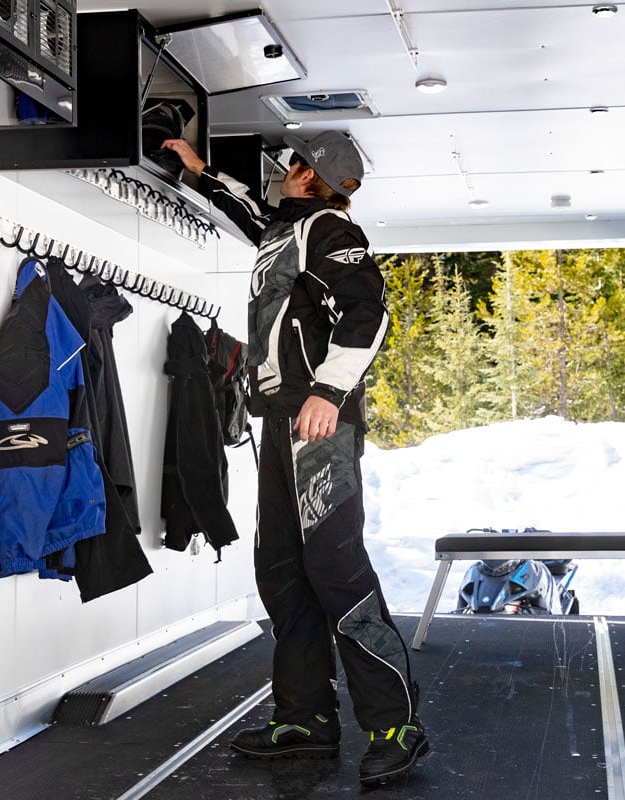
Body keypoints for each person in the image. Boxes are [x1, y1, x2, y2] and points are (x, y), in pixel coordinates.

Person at [161, 131, 429, 785]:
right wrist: (199, 172)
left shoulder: (331, 231)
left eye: (295, 164)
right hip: (282, 423)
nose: (285, 170)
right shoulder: (290, 228)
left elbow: (369, 312)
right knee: (281, 569)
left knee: (336, 570)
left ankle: (397, 725)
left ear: (312, 177)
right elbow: (252, 211)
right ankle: (305, 721)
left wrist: (331, 393)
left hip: (318, 426)